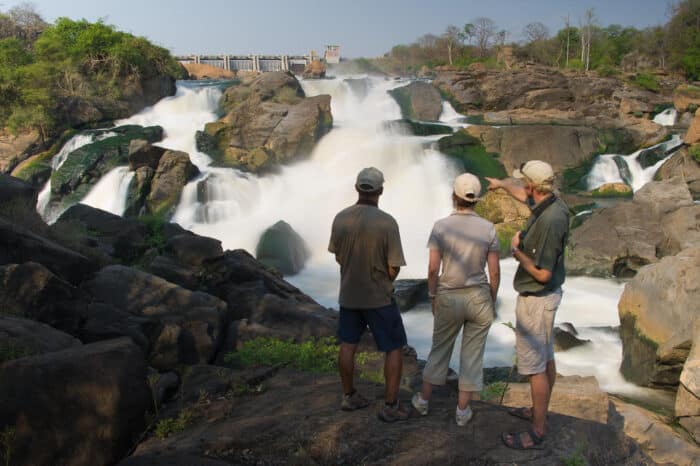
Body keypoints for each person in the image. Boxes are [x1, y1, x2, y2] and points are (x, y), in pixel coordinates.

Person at [485, 160, 570, 450]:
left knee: (535, 367)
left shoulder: (549, 221)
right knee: (546, 358)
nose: (522, 187)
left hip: (538, 298)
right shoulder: (552, 202)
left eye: (524, 183)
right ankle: (538, 411)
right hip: (544, 297)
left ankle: (537, 431)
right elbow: (523, 196)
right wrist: (501, 185)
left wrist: (517, 252)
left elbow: (543, 273)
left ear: (534, 185)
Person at [411, 173, 500, 426]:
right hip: (478, 296)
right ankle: (462, 411)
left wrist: (432, 295)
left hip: (449, 295)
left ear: (454, 196)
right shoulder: (488, 228)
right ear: (476, 200)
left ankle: (423, 402)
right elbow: (494, 271)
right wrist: (491, 298)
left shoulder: (441, 227)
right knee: (472, 356)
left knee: (439, 350)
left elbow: (432, 269)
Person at [328, 166, 410, 422]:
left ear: (356, 188)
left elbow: (339, 256)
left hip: (349, 294)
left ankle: (349, 395)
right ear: (381, 190)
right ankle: (390, 405)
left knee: (348, 344)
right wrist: (383, 278)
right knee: (394, 347)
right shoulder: (387, 223)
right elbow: (393, 267)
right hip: (379, 297)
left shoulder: (340, 218)